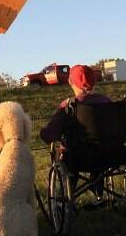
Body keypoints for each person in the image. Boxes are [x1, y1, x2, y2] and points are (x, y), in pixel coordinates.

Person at [40, 65, 111, 205]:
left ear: (71, 82)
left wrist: (44, 134)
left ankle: (67, 197)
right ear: (94, 81)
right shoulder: (107, 102)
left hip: (78, 158)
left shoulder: (70, 106)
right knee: (98, 145)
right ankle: (99, 192)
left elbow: (50, 133)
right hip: (110, 154)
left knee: (68, 154)